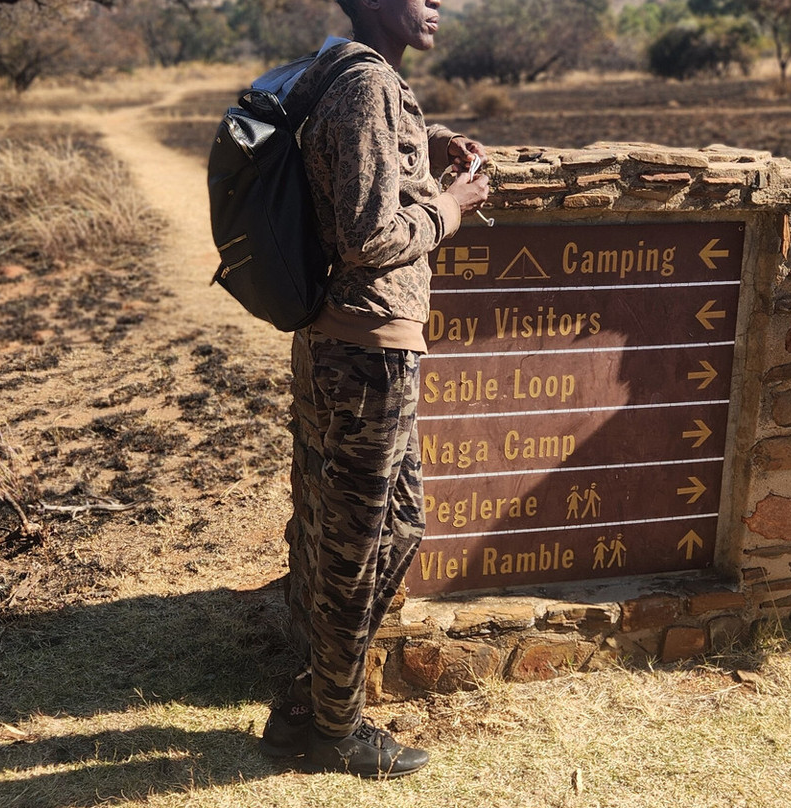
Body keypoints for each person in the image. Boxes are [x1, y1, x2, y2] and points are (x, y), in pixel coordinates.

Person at [259, 0, 490, 780]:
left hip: (358, 346)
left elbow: (355, 178)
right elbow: (365, 237)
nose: (441, 6)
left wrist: (427, 151)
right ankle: (336, 731)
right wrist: (449, 210)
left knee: (398, 528)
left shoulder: (359, 78)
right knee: (358, 548)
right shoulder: (363, 85)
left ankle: (308, 702)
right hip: (363, 350)